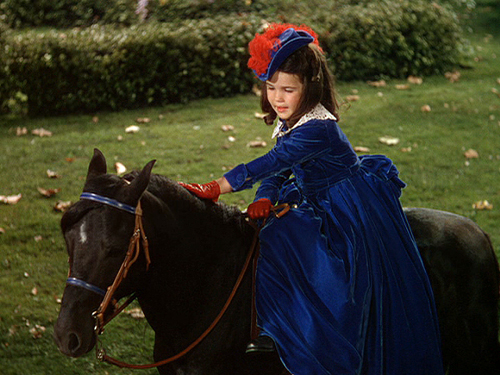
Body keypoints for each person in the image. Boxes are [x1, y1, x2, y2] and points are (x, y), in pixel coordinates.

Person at [179, 23, 444, 375]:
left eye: (288, 90)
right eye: (271, 88)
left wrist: (217, 186)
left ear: (311, 89)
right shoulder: (294, 123)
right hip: (316, 195)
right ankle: (275, 321)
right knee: (270, 226)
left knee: (285, 238)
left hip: (348, 206)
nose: (277, 98)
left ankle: (306, 328)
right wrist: (266, 194)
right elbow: (279, 169)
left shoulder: (318, 128)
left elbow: (271, 161)